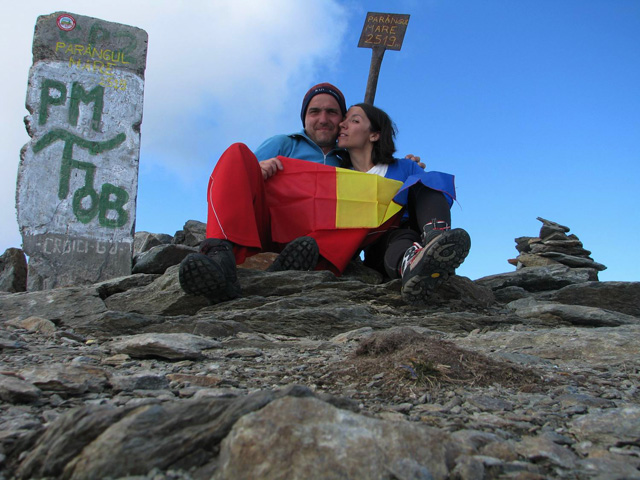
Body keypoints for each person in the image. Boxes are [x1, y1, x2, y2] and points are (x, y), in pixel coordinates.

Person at [336, 103, 471, 303]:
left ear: (374, 135)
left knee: (426, 180)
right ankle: (416, 264)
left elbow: (430, 194)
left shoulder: (405, 166)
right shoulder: (341, 177)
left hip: (418, 229)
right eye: (344, 119)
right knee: (398, 238)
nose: (342, 124)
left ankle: (436, 240)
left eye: (354, 120)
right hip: (380, 245)